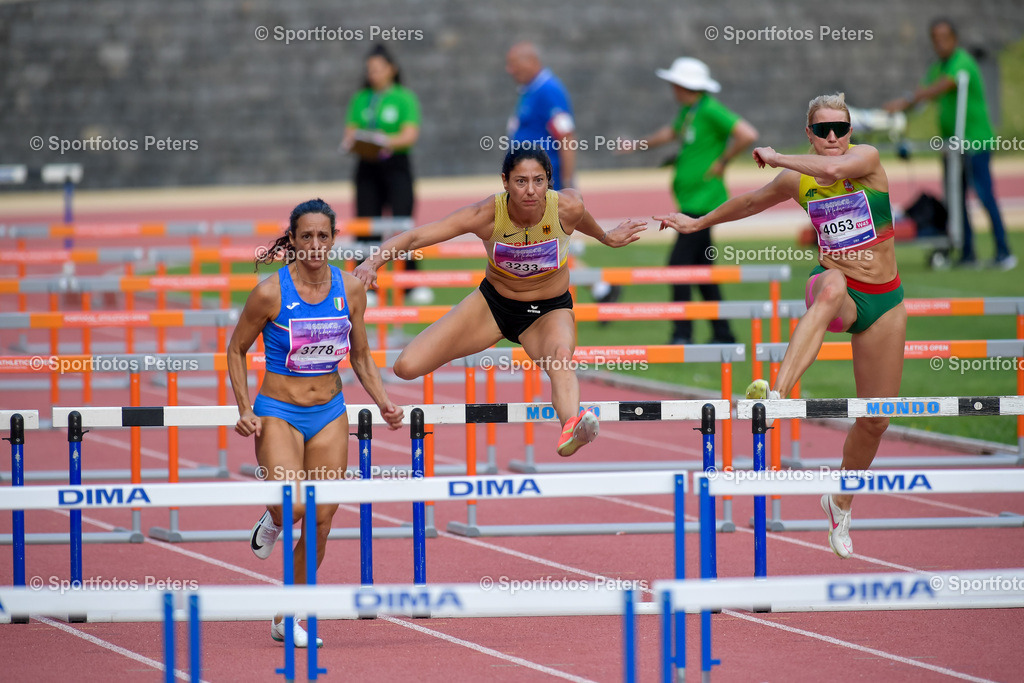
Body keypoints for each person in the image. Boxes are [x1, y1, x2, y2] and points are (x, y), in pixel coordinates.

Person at [656, 94, 907, 559]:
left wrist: (772, 156)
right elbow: (751, 201)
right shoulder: (796, 180)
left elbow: (831, 172)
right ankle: (777, 397)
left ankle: (840, 502)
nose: (833, 138)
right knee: (831, 288)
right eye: (823, 130)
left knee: (875, 419)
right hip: (836, 289)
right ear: (809, 134)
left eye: (841, 128)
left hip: (884, 299)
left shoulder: (865, 159)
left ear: (850, 131)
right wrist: (697, 223)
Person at [353, 147, 646, 456]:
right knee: (406, 367)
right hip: (492, 306)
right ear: (505, 181)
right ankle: (571, 422)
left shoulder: (566, 207)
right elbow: (415, 237)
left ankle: (572, 427)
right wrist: (373, 262)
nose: (530, 191)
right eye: (521, 181)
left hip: (547, 312)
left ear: (549, 181)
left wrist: (606, 237)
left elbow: (583, 219)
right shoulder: (486, 215)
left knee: (560, 357)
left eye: (538, 181)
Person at [228, 199, 404, 647]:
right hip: (279, 412)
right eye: (305, 236)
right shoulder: (270, 293)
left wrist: (383, 402)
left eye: (323, 236)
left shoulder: (351, 290)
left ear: (333, 238)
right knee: (296, 507)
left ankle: (289, 614)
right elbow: (235, 350)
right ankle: (272, 518)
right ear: (292, 240)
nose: (314, 244)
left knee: (322, 519)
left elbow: (361, 355)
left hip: (328, 412)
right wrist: (245, 408)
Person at [629, 57, 758, 344]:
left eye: (674, 84)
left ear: (684, 85)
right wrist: (639, 145)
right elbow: (673, 134)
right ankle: (723, 333)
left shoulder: (710, 110)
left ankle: (682, 334)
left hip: (701, 201)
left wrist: (723, 161)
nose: (671, 89)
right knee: (702, 271)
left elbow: (747, 134)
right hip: (693, 198)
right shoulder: (690, 111)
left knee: (679, 267)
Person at [885, 18, 1015, 270]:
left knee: (985, 196)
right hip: (952, 146)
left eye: (944, 38)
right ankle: (967, 254)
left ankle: (1004, 252)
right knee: (956, 200)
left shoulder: (961, 63)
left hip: (974, 143)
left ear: (954, 39)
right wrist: (896, 111)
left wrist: (906, 100)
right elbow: (922, 94)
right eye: (935, 38)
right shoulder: (939, 66)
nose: (940, 43)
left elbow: (939, 88)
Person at [505, 41, 620, 306]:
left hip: (541, 184)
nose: (509, 70)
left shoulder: (548, 91)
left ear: (530, 61)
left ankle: (592, 286)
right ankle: (599, 286)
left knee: (538, 241)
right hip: (528, 183)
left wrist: (568, 182)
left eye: (513, 64)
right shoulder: (531, 91)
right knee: (538, 242)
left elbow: (566, 136)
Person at [342, 44, 433, 304]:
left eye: (379, 69)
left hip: (396, 166)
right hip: (367, 167)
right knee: (366, 225)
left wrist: (385, 140)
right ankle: (364, 283)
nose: (374, 74)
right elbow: (349, 132)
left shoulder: (404, 98)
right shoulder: (361, 98)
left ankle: (410, 284)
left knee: (402, 224)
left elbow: (409, 134)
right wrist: (358, 142)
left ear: (391, 70)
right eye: (370, 70)